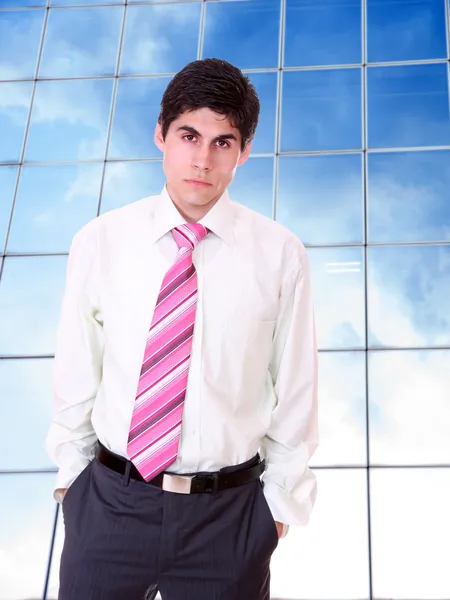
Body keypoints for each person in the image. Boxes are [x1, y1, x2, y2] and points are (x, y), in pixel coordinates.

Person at [46, 57, 318, 600]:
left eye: (223, 142)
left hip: (229, 517)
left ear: (243, 152)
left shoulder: (279, 254)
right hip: (110, 504)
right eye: (189, 135)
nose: (203, 158)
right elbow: (77, 370)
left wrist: (277, 510)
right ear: (161, 135)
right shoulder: (100, 242)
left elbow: (296, 390)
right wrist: (72, 485)